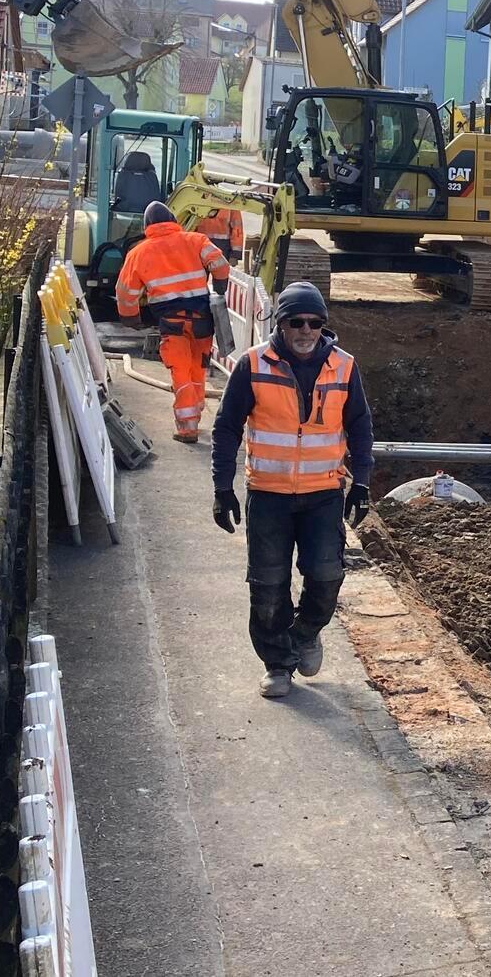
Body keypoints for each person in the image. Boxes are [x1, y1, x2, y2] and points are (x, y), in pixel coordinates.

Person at [210, 282, 375, 700]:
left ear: (323, 325)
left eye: (314, 323)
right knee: (267, 584)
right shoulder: (253, 365)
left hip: (323, 494)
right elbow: (227, 428)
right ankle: (278, 664)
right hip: (268, 494)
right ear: (280, 323)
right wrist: (221, 486)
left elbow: (360, 426)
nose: (305, 330)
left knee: (326, 574)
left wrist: (363, 482)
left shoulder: (344, 366)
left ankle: (304, 633)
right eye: (295, 322)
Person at [114, 201, 231, 442]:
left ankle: (187, 427)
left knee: (180, 371)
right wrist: (220, 284)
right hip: (202, 320)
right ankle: (196, 411)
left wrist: (130, 318)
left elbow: (125, 290)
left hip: (172, 322)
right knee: (197, 367)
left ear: (147, 226)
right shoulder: (195, 240)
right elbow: (219, 263)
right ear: (172, 220)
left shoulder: (138, 252)